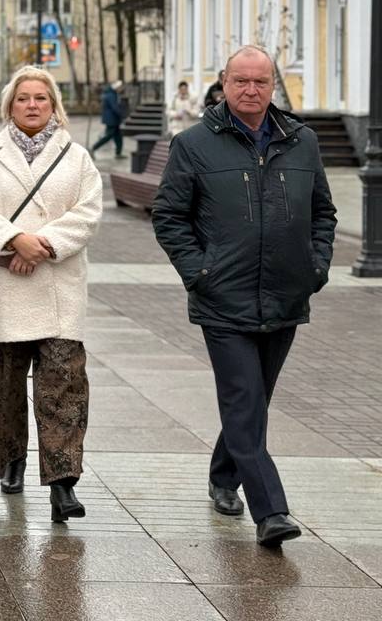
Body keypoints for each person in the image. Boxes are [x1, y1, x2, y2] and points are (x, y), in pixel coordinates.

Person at [152, 45, 336, 548]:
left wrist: (314, 267)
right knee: (244, 400)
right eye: (241, 82)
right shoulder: (193, 144)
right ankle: (271, 510)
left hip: (285, 295)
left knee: (254, 402)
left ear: (272, 85)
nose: (250, 90)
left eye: (260, 82)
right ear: (224, 84)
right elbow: (169, 216)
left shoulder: (303, 141)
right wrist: (200, 272)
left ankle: (221, 476)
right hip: (223, 298)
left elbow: (323, 211)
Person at [0, 66, 102, 523]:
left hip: (57, 285)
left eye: (41, 97)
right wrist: (14, 238)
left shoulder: (76, 158)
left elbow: (88, 211)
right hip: (6, 286)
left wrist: (40, 247)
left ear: (53, 104)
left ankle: (63, 484)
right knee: (3, 386)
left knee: (63, 385)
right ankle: (11, 460)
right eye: (23, 98)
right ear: (10, 106)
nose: (33, 105)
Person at [91, 79, 125, 156]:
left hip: (113, 119)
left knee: (118, 136)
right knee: (108, 136)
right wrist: (122, 115)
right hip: (111, 119)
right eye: (120, 87)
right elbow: (115, 107)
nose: (121, 89)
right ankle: (93, 148)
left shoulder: (112, 94)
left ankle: (118, 153)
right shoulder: (111, 95)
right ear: (116, 87)